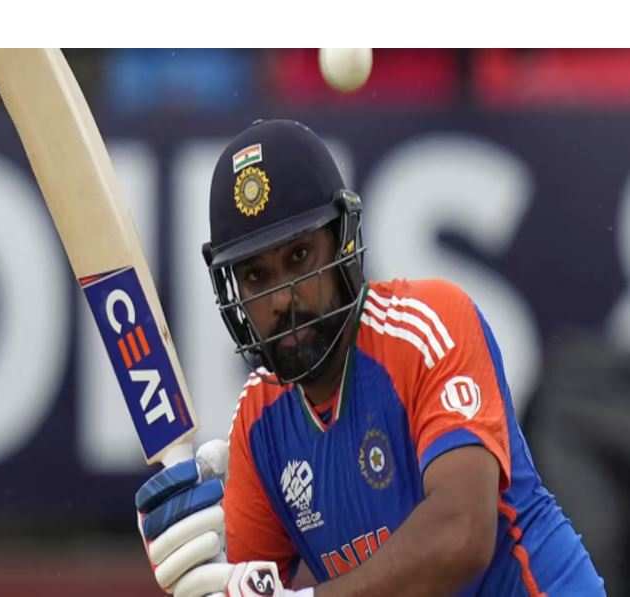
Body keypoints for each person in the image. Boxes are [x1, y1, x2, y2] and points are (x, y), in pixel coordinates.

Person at [134, 119, 605, 597]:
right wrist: (195, 565)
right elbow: (244, 585)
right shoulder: (259, 422)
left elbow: (462, 534)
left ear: (343, 242)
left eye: (299, 256)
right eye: (256, 276)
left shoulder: (427, 326)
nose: (281, 299)